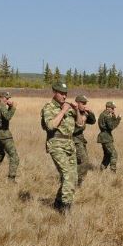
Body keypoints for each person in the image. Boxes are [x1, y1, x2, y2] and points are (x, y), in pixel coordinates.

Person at [41, 82, 85, 213]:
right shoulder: (48, 107)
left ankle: (58, 203)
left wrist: (76, 110)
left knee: (73, 176)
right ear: (54, 92)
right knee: (68, 176)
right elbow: (50, 126)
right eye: (61, 93)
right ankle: (65, 209)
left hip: (69, 145)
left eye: (66, 94)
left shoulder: (69, 107)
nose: (64, 96)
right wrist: (63, 111)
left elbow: (80, 124)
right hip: (56, 144)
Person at [72, 95, 97, 186]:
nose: (85, 105)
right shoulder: (73, 112)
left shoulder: (83, 112)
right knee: (84, 161)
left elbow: (93, 121)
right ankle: (77, 183)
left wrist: (90, 113)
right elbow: (74, 130)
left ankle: (76, 182)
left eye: (86, 103)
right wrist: (82, 119)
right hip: (74, 139)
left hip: (81, 140)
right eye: (83, 103)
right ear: (77, 103)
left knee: (78, 161)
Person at [97, 101, 121, 172]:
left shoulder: (103, 114)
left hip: (104, 137)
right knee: (114, 154)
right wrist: (118, 119)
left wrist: (113, 115)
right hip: (106, 137)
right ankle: (113, 171)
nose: (113, 110)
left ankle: (101, 170)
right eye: (112, 108)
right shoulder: (106, 115)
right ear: (108, 108)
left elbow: (111, 123)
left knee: (107, 155)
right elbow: (111, 126)